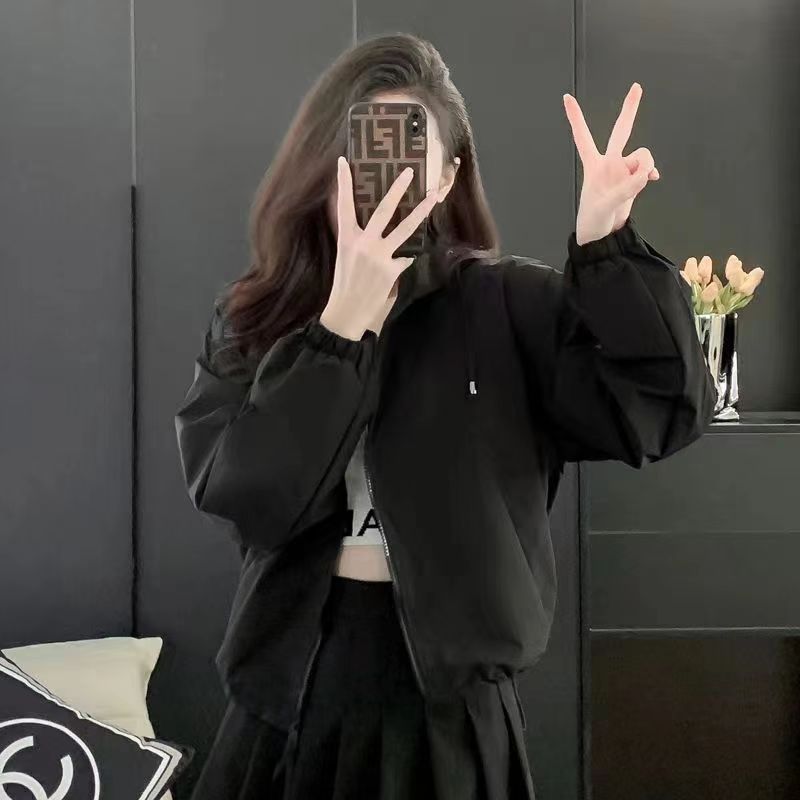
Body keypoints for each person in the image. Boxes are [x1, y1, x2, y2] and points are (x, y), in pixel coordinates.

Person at [175, 32, 716, 800]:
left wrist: (606, 247)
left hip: (449, 712)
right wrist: (340, 329)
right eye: (364, 149)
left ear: (448, 176)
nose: (386, 176)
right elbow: (245, 496)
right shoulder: (257, 318)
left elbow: (663, 404)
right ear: (325, 162)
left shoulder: (503, 307)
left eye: (410, 154)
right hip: (287, 698)